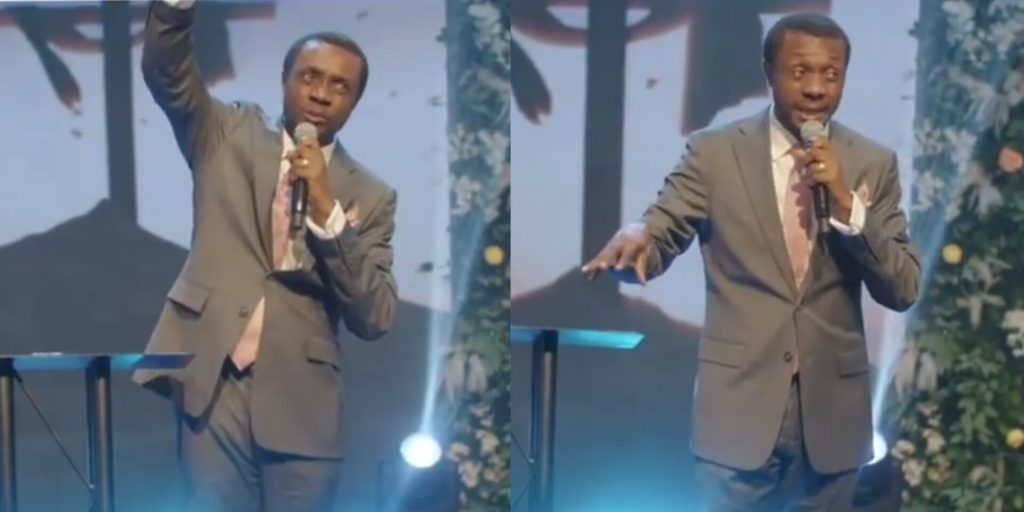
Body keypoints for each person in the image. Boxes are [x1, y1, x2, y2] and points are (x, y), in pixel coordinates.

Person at [582, 13, 920, 511]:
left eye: (831, 74)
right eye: (800, 71)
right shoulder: (715, 153)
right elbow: (665, 224)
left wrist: (848, 204)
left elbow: (903, 286)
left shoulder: (872, 163)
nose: (816, 88)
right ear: (769, 72)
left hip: (832, 416)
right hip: (738, 409)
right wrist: (640, 238)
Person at [132, 1, 398, 510]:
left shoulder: (371, 195)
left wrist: (327, 212)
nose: (321, 94)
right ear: (284, 81)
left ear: (354, 102)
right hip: (214, 384)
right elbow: (167, 71)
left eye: (339, 86)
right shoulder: (227, 134)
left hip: (302, 400)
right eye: (309, 77)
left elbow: (375, 315)